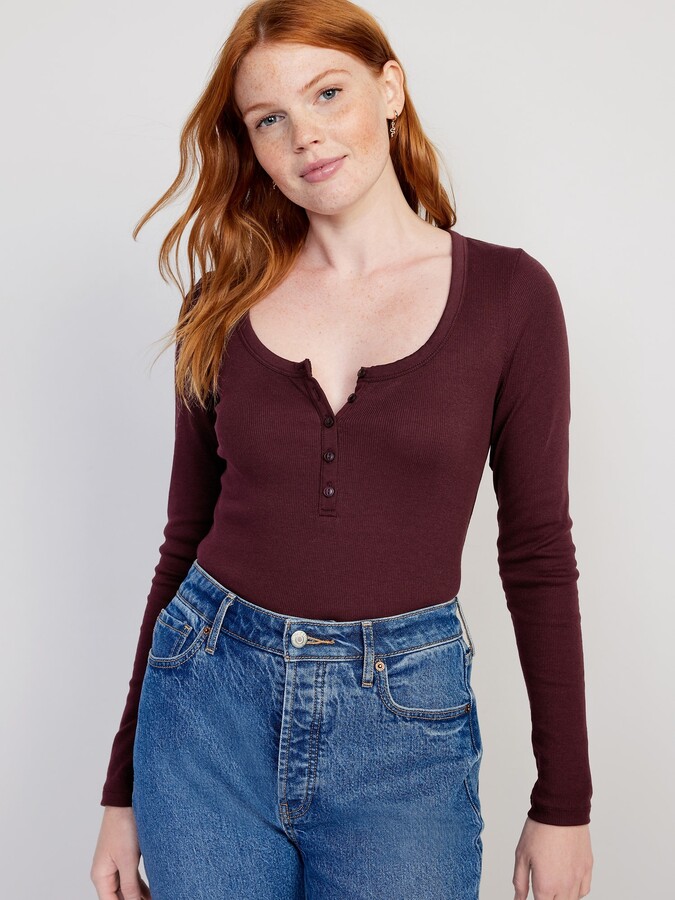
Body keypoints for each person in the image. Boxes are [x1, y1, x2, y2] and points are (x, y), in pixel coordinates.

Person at [90, 1, 594, 898]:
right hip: (204, 711)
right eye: (269, 118)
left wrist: (564, 803)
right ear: (250, 145)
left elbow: (537, 553)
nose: (305, 136)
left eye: (327, 93)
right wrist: (120, 791)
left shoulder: (510, 297)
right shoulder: (219, 303)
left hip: (404, 727)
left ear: (389, 88)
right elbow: (183, 538)